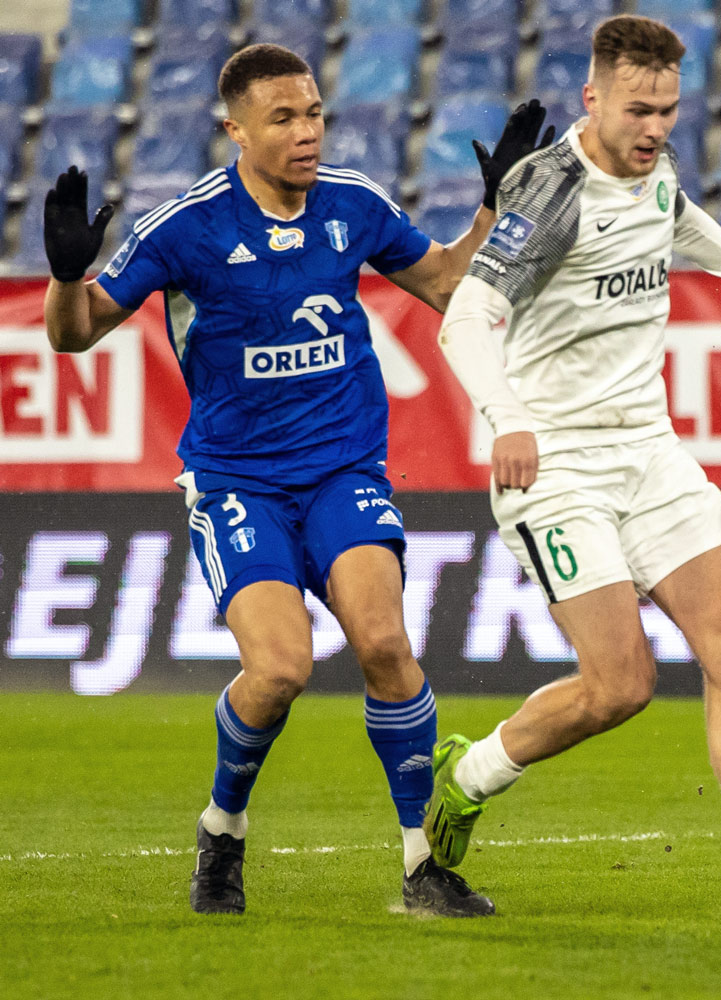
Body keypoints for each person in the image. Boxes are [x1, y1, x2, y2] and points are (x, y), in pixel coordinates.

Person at [41, 43, 552, 918]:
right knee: (278, 669)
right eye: (283, 118)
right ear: (234, 129)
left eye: (314, 112)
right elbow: (74, 332)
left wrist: (495, 208)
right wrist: (64, 274)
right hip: (238, 482)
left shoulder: (353, 204)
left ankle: (421, 864)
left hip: (342, 469)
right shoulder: (186, 227)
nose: (307, 131)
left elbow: (447, 283)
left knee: (387, 647)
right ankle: (222, 830)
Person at [424, 14, 721, 927]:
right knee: (620, 687)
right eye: (638, 110)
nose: (655, 129)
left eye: (668, 111)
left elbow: (677, 219)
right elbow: (463, 318)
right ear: (593, 98)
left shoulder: (657, 169)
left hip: (648, 448)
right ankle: (467, 774)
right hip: (557, 463)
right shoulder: (551, 190)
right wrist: (508, 419)